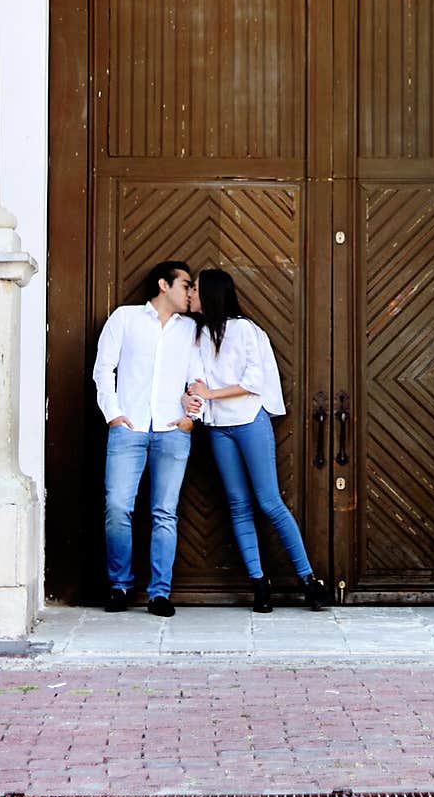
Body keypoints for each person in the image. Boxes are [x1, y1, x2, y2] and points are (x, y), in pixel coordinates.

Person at [185, 269, 330, 612]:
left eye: (194, 288)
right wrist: (196, 395)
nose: (190, 293)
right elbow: (193, 379)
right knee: (238, 505)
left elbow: (253, 381)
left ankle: (308, 580)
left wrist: (210, 392)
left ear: (209, 293)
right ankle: (258, 584)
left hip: (249, 421)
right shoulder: (198, 334)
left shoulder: (245, 330)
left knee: (269, 502)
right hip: (219, 427)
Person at [92, 259, 197, 617]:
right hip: (130, 427)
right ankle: (120, 586)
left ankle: (159, 594)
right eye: (186, 285)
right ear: (163, 285)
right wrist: (114, 415)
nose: (190, 292)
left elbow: (196, 380)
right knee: (118, 507)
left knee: (164, 513)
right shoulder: (125, 318)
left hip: (172, 430)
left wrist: (190, 417)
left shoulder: (189, 330)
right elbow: (104, 368)